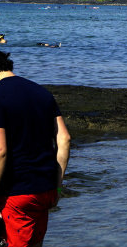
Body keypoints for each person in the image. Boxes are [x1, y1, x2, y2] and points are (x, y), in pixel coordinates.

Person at [0, 51, 71, 247]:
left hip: (17, 192)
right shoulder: (42, 93)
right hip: (46, 189)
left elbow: (1, 151)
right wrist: (57, 186)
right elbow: (64, 139)